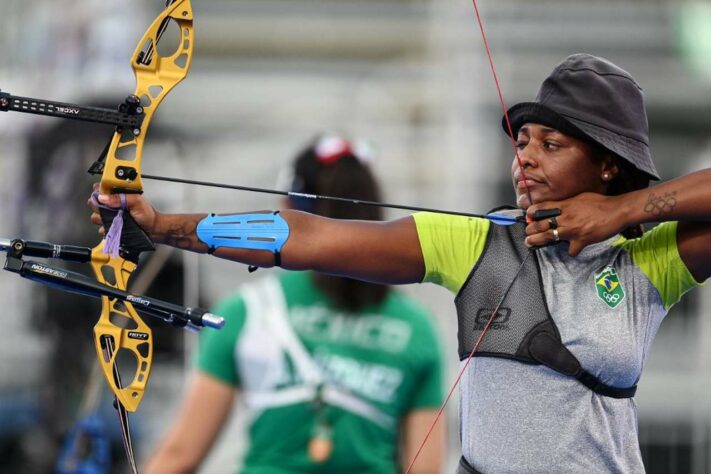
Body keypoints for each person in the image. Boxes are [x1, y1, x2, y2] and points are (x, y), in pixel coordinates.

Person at [91, 54, 711, 473]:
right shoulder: (478, 244)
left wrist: (624, 210)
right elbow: (306, 236)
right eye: (522, 142)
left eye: (551, 145)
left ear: (607, 164)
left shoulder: (649, 263)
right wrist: (164, 226)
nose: (525, 157)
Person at [141, 135, 446, 474]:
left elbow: (179, 457)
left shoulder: (246, 311)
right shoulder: (416, 327)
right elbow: (426, 469)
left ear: (289, 212)